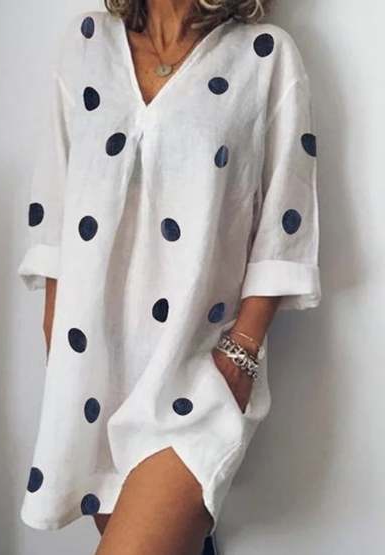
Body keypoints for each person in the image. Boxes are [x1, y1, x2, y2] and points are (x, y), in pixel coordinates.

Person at [17, 1, 321, 554]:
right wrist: (60, 346)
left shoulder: (264, 55)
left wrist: (241, 353)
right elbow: (53, 212)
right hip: (94, 375)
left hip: (196, 371)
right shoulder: (86, 42)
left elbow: (286, 220)